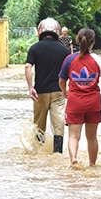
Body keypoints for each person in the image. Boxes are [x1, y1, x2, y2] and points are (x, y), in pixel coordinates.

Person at [59, 28, 101, 166]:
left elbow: (61, 80)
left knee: (73, 136)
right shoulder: (99, 60)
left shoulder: (69, 59)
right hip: (93, 103)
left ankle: (73, 160)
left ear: (77, 40)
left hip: (75, 102)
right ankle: (92, 164)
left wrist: (65, 92)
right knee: (92, 137)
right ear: (93, 42)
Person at [25, 18, 70, 153]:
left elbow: (28, 67)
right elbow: (71, 71)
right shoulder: (64, 51)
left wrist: (30, 87)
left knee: (39, 125)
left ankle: (39, 152)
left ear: (40, 31)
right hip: (58, 92)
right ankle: (57, 152)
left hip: (40, 92)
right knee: (58, 124)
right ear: (57, 32)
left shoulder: (34, 48)